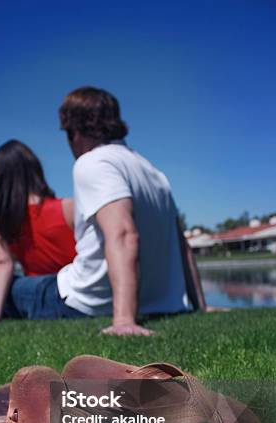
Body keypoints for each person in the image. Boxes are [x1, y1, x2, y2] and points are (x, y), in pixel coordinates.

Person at [57, 86, 205, 336]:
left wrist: (124, 320)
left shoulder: (93, 162)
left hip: (85, 301)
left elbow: (124, 234)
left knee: (19, 290)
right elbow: (182, 247)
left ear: (75, 132)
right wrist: (201, 306)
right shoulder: (153, 172)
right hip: (157, 304)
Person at [0, 140, 80, 325]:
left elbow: (4, 263)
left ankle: (2, 310)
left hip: (43, 293)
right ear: (35, 170)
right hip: (77, 289)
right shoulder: (69, 207)